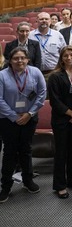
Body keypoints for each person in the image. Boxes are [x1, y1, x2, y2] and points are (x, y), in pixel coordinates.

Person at [0, 48, 46, 203]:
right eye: (15, 58)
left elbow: (41, 94)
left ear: (27, 59)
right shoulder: (2, 75)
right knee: (10, 152)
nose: (19, 61)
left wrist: (29, 114)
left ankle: (28, 180)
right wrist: (14, 117)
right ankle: (5, 186)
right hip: (7, 120)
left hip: (29, 118)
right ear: (10, 60)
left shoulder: (35, 72)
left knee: (26, 149)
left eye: (22, 58)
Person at [48, 46, 72, 199]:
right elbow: (55, 101)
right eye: (66, 56)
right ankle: (60, 185)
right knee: (61, 152)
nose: (69, 58)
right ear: (61, 58)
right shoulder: (55, 76)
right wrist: (71, 113)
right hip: (61, 119)